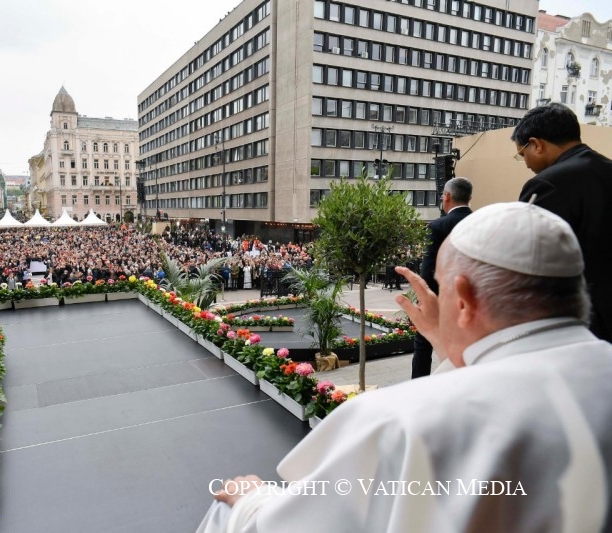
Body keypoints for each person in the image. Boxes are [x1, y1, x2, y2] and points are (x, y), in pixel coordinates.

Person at [197, 202, 612, 533]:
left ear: (463, 298)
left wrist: (250, 500)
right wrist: (447, 343)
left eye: (443, 289)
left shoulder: (398, 420)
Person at [513, 102, 612, 343]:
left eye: (522, 153)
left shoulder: (547, 184)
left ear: (536, 144)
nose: (525, 163)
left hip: (582, 325)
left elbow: (531, 261)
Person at [411, 177, 473, 378]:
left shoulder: (438, 226)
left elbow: (428, 268)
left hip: (442, 296)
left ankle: (418, 385)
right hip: (471, 297)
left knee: (423, 344)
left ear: (447, 196)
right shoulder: (479, 221)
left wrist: (424, 299)